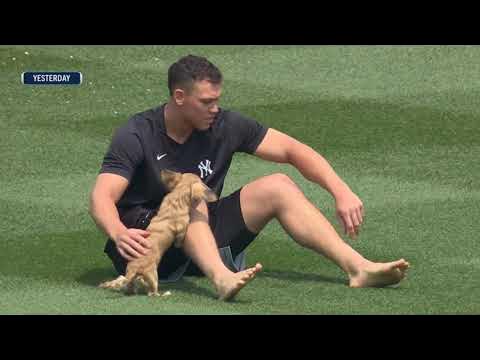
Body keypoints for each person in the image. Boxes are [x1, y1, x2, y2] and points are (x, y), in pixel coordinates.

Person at [89, 54, 409, 301]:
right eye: (206, 102)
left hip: (201, 236)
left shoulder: (225, 125)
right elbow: (102, 197)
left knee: (278, 186)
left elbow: (292, 150)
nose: (215, 109)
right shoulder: (137, 134)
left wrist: (341, 191)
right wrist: (118, 232)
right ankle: (222, 278)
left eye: (217, 100)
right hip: (144, 247)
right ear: (179, 97)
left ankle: (358, 267)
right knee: (190, 194)